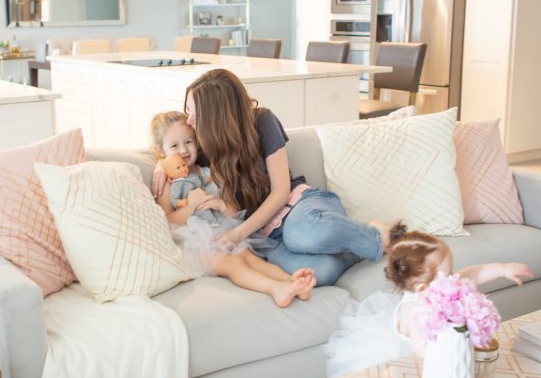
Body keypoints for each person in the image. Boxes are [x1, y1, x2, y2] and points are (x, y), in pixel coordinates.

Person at [323, 223, 534, 378]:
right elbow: (422, 348)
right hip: (406, 365)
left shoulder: (447, 285)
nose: (454, 277)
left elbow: (472, 273)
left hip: (438, 360)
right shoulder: (413, 310)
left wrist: (502, 269)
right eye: (447, 274)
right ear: (423, 288)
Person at [153, 69, 391, 286]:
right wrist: (160, 166)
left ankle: (378, 236)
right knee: (319, 272)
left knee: (300, 235)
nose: (190, 121)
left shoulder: (262, 121)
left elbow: (281, 192)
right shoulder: (203, 145)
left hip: (298, 205)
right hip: (266, 234)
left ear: (214, 114)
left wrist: (237, 234)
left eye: (194, 113)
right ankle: (355, 245)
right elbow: (175, 155)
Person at [149, 111, 317, 307]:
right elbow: (167, 220)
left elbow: (233, 212)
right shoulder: (168, 183)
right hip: (192, 242)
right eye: (174, 146)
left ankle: (294, 283)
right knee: (234, 264)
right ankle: (276, 289)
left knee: (252, 259)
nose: (184, 150)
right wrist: (192, 205)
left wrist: (220, 205)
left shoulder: (207, 173)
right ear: (160, 151)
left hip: (222, 231)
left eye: (188, 142)